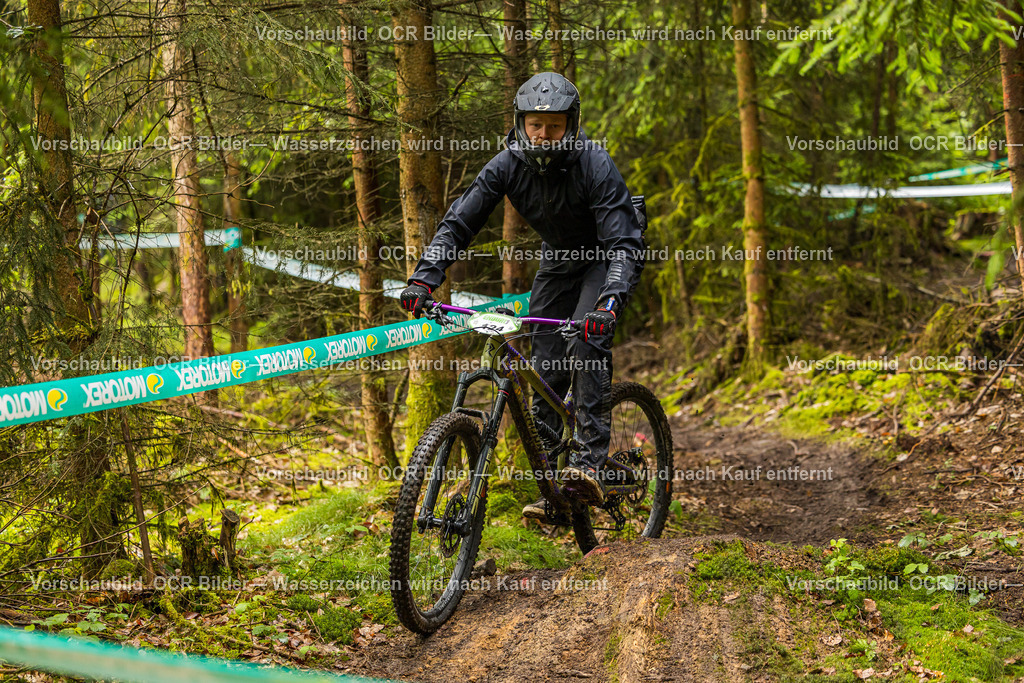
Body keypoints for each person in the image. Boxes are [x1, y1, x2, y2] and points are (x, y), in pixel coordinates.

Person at [399, 72, 644, 518]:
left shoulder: (595, 163)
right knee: (544, 365)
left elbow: (623, 244)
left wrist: (608, 302)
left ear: (571, 125)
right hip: (559, 259)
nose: (543, 134)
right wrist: (424, 279)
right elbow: (460, 222)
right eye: (535, 124)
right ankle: (553, 487)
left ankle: (589, 463)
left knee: (586, 340)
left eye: (554, 126)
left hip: (606, 255)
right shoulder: (506, 164)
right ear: (520, 123)